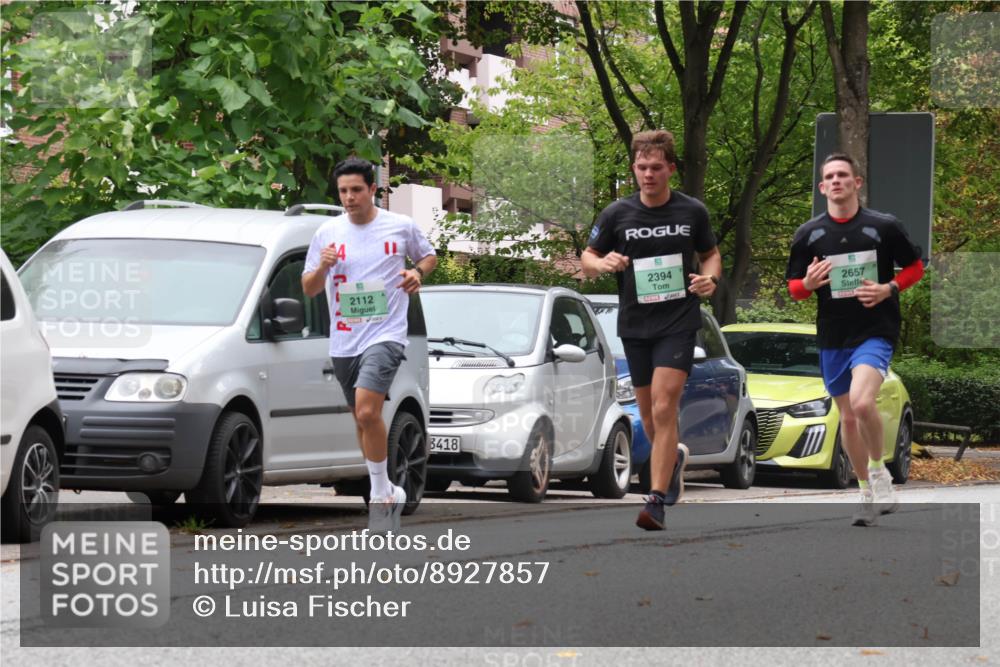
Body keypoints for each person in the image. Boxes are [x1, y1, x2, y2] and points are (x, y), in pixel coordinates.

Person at [582, 130, 721, 531]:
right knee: (648, 416)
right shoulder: (617, 214)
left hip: (678, 322)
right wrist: (603, 264)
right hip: (636, 323)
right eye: (642, 168)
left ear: (671, 169)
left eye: (656, 167)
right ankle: (672, 456)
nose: (648, 174)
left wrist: (710, 280)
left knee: (664, 406)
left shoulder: (691, 211)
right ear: (633, 169)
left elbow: (711, 256)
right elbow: (587, 258)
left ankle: (655, 500)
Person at [786, 152, 924, 526]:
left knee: (863, 403)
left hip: (875, 329)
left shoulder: (884, 226)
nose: (835, 181)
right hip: (833, 333)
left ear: (856, 182)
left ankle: (880, 472)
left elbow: (915, 267)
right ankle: (865, 492)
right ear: (821, 187)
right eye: (829, 176)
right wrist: (809, 285)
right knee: (847, 418)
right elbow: (795, 288)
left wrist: (888, 288)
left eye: (843, 175)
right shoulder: (809, 234)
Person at [302, 157, 437, 533]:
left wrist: (416, 272)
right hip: (344, 339)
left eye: (356, 190)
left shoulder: (400, 226)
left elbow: (429, 255)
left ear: (372, 190)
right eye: (343, 191)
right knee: (361, 419)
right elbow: (310, 288)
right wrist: (323, 268)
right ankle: (387, 487)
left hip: (386, 334)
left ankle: (380, 492)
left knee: (366, 412)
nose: (349, 198)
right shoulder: (326, 233)